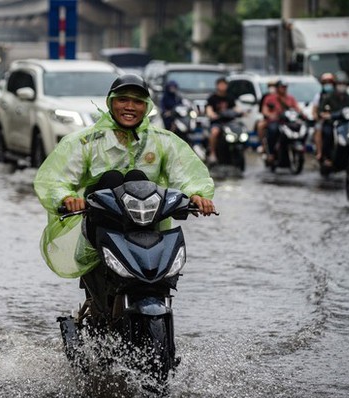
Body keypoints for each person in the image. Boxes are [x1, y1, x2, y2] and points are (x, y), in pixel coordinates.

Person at [33, 74, 215, 278]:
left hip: (149, 228)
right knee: (111, 178)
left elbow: (186, 175)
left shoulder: (164, 141)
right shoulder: (86, 142)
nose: (130, 107)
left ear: (146, 107)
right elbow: (56, 179)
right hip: (100, 228)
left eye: (138, 101)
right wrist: (67, 198)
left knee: (137, 177)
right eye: (123, 100)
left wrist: (197, 195)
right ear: (110, 103)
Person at [261, 79, 303, 164]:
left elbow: (297, 109)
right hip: (277, 121)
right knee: (273, 130)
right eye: (282, 87)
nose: (283, 89)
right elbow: (265, 110)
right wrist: (271, 115)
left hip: (288, 122)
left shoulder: (290, 98)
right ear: (277, 88)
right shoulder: (270, 98)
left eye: (285, 87)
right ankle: (271, 153)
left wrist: (301, 114)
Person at [318, 71, 349, 167]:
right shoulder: (329, 97)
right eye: (340, 84)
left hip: (344, 124)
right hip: (331, 123)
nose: (342, 86)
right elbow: (321, 111)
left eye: (344, 84)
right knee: (327, 133)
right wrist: (327, 115)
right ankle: (326, 157)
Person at [205, 77, 238, 164]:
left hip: (229, 122)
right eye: (221, 84)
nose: (223, 86)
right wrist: (212, 114)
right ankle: (212, 153)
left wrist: (241, 112)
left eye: (224, 84)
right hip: (217, 122)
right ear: (217, 86)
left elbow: (236, 108)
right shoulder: (212, 98)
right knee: (214, 132)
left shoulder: (230, 97)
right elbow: (209, 109)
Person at [312, 72, 335, 161]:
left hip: (335, 120)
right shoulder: (319, 96)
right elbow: (314, 111)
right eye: (325, 82)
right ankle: (320, 152)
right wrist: (318, 117)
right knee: (319, 129)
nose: (327, 84)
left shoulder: (337, 95)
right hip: (323, 120)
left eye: (329, 82)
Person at [256, 79, 278, 152]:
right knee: (260, 126)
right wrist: (269, 115)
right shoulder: (266, 97)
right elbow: (262, 110)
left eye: (274, 86)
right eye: (270, 86)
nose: (272, 88)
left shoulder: (281, 97)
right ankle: (263, 145)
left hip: (280, 120)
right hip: (268, 119)